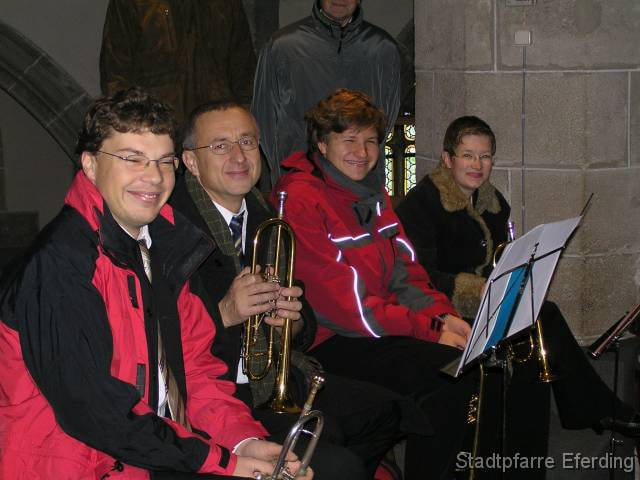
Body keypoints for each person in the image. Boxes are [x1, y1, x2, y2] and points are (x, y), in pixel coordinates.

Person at [0, 88, 311, 480]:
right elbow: (94, 411)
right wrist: (222, 462)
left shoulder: (161, 247)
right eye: (132, 159)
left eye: (164, 161)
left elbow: (194, 370)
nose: (153, 176)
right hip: (79, 464)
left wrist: (242, 441)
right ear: (91, 165)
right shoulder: (60, 265)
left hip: (152, 451)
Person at [170, 100, 427, 479]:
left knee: (388, 413)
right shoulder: (172, 229)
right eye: (221, 146)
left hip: (276, 373)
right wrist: (224, 313)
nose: (239, 156)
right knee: (336, 458)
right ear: (191, 162)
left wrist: (292, 320)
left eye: (247, 141)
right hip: (219, 391)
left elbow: (302, 309)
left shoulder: (266, 215)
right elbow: (162, 341)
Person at [395, 115, 638, 459]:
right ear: (448, 159)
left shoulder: (493, 202)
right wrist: (478, 289)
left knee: (541, 313)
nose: (477, 165)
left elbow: (501, 258)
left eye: (485, 156)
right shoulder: (421, 204)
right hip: (443, 309)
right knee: (541, 319)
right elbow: (420, 275)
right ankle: (590, 410)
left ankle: (585, 411)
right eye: (468, 155)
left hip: (487, 300)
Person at [271, 88, 483, 479]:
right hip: (330, 340)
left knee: (483, 361)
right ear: (322, 144)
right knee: (449, 376)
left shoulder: (372, 192)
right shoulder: (300, 198)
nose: (362, 152)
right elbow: (345, 307)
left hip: (378, 324)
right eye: (349, 140)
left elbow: (406, 272)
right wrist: (429, 331)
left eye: (370, 141)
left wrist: (443, 316)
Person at [251, 0, 409, 189]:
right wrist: (282, 174)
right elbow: (263, 120)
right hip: (302, 180)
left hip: (361, 181)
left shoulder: (382, 48)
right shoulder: (283, 47)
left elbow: (386, 118)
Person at [100, 0, 256, 123]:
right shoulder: (131, 3)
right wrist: (130, 127)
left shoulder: (226, 4)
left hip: (216, 124)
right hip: (157, 126)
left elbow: (244, 72)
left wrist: (244, 120)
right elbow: (115, 76)